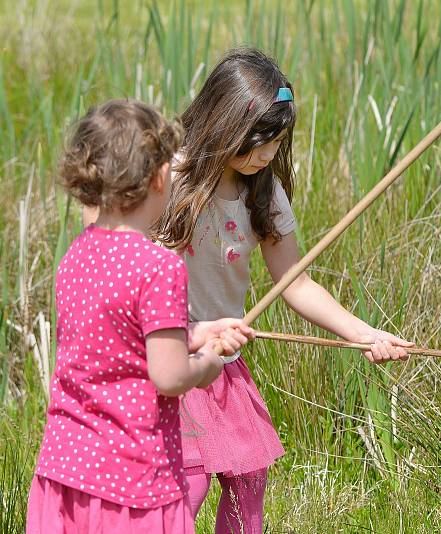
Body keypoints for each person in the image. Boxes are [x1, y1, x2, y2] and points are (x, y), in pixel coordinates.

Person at [155, 48, 412, 532]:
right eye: (255, 143)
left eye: (275, 142)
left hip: (222, 360)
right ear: (220, 122)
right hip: (171, 353)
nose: (266, 155)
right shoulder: (171, 176)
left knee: (250, 475)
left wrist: (362, 334)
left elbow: (296, 283)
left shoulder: (263, 194)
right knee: (188, 483)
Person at [29, 99, 253, 533]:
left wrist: (197, 331)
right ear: (157, 178)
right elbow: (168, 376)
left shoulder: (77, 254)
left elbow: (117, 340)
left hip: (66, 469)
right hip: (132, 481)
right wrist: (209, 362)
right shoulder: (159, 267)